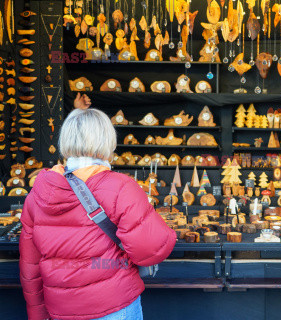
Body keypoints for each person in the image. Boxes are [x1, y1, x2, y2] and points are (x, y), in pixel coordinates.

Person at [19, 94, 177, 319]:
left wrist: (37, 314)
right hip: (114, 306)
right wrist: (168, 234)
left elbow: (29, 266)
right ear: (107, 142)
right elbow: (150, 249)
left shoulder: (38, 193)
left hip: (60, 309)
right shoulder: (120, 187)